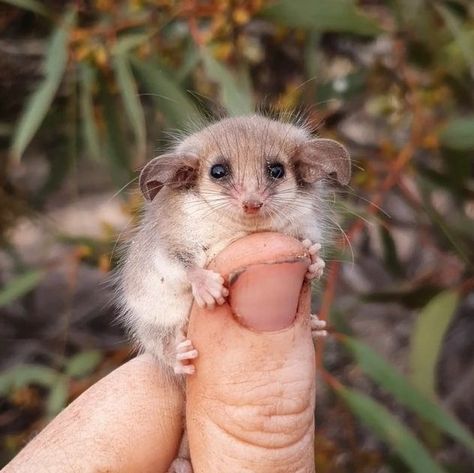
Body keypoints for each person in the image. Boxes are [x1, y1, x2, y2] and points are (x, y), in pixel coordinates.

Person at [3, 234, 318, 472]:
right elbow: (167, 256)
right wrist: (194, 276)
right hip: (174, 331)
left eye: (275, 172)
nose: (251, 201)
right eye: (220, 173)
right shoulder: (182, 221)